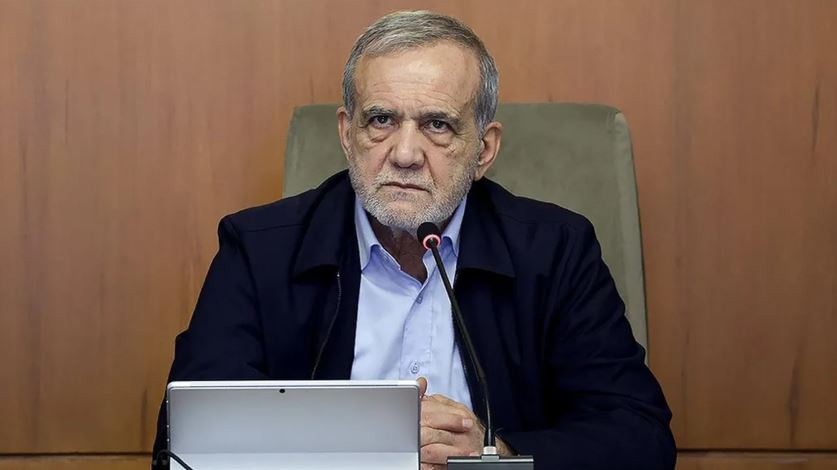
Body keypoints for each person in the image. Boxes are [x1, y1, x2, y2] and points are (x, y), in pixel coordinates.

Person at [153, 10, 676, 470]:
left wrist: (497, 455)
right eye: (381, 120)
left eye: (437, 125)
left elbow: (639, 436)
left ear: (484, 150)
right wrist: (361, 447)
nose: (405, 154)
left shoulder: (556, 251)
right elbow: (184, 442)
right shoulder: (258, 250)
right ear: (347, 134)